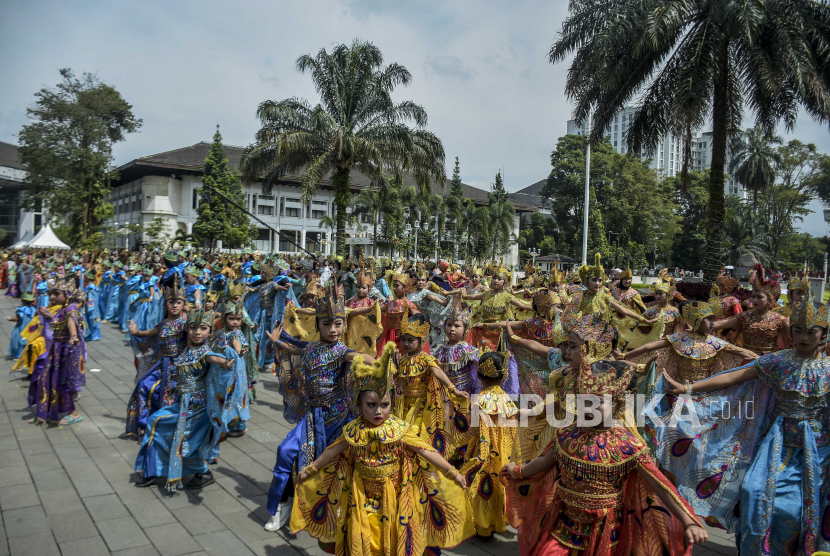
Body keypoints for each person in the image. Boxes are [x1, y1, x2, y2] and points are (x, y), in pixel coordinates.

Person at [655, 289, 830, 554]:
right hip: (777, 442)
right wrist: (688, 389)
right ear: (791, 332)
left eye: (811, 331)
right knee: (753, 492)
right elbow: (734, 377)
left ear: (823, 334)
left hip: (819, 448)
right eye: (798, 331)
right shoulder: (778, 362)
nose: (804, 338)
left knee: (804, 505)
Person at [500, 355, 708, 556]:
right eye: (583, 401)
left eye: (597, 402)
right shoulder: (567, 435)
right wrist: (517, 471)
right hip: (563, 526)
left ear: (617, 404)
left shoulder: (629, 446)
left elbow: (659, 485)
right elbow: (544, 462)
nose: (587, 408)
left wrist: (688, 520)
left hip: (607, 535)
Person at [288, 342, 475, 556]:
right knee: (365, 539)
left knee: (392, 538)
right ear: (359, 404)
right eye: (371, 405)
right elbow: (332, 451)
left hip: (393, 495)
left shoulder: (400, 429)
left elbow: (426, 451)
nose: (378, 411)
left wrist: (452, 473)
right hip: (360, 495)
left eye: (384, 405)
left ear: (392, 402)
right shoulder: (352, 430)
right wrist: (310, 470)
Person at [263, 289, 375, 532]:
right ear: (318, 325)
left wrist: (381, 361)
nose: (333, 329)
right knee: (286, 452)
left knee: (337, 462)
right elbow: (293, 350)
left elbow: (361, 357)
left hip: (338, 418)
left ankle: (340, 507)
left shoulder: (342, 352)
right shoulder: (311, 348)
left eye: (337, 324)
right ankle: (283, 503)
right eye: (327, 324)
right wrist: (275, 341)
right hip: (312, 416)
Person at [134, 307, 239, 490]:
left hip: (197, 409)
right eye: (193, 328)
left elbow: (215, 359)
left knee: (185, 439)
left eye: (203, 328)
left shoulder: (205, 352)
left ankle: (202, 472)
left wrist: (226, 362)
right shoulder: (186, 349)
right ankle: (155, 469)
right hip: (181, 404)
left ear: (210, 331)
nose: (197, 332)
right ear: (186, 329)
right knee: (155, 422)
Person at [459, 350, 527, 537]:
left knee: (481, 483)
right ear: (504, 376)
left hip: (484, 449)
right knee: (501, 483)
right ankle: (500, 520)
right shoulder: (507, 400)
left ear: (479, 375)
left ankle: (482, 525)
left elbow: (474, 429)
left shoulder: (478, 400)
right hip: (505, 449)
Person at [125, 281, 187, 439]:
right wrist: (136, 332)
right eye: (170, 302)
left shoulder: (185, 325)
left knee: (168, 393)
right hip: (162, 363)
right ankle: (146, 422)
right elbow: (149, 333)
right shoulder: (163, 324)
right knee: (143, 385)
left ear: (184, 305)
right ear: (165, 304)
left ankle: (168, 424)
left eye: (178, 302)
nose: (174, 305)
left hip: (178, 366)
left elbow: (196, 340)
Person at [26, 276, 86, 426]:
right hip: (55, 350)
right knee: (45, 379)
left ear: (67, 294)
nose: (52, 296)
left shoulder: (70, 309)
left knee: (61, 383)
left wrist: (73, 336)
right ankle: (44, 411)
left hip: (65, 352)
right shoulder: (61, 309)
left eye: (56, 293)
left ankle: (73, 413)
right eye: (51, 293)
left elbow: (72, 322)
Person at [711, 263, 791, 355]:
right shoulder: (745, 317)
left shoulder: (779, 319)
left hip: (769, 364)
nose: (755, 300)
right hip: (747, 360)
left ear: (769, 299)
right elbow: (720, 324)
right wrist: (698, 326)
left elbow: (797, 335)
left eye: (759, 297)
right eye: (753, 297)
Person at [7, 292, 36, 359]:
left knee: (17, 341)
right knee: (27, 341)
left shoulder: (21, 310)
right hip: (29, 329)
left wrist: (9, 319)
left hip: (20, 328)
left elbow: (16, 319)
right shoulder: (33, 309)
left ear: (22, 300)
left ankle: (18, 355)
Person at [82, 269, 102, 342]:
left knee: (92, 319)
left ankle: (94, 335)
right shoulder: (91, 286)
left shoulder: (91, 288)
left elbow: (91, 299)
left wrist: (90, 307)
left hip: (91, 306)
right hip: (90, 305)